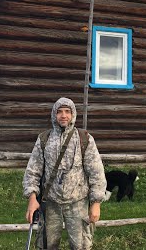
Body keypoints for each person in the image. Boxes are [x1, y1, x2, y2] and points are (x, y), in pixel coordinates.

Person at [23, 97, 107, 249]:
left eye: (67, 111)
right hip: (50, 203)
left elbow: (96, 172)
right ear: (54, 115)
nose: (63, 115)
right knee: (47, 245)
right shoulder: (44, 139)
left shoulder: (84, 139)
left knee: (80, 245)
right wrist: (32, 198)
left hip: (78, 203)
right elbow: (32, 171)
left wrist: (96, 203)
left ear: (73, 114)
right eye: (59, 112)